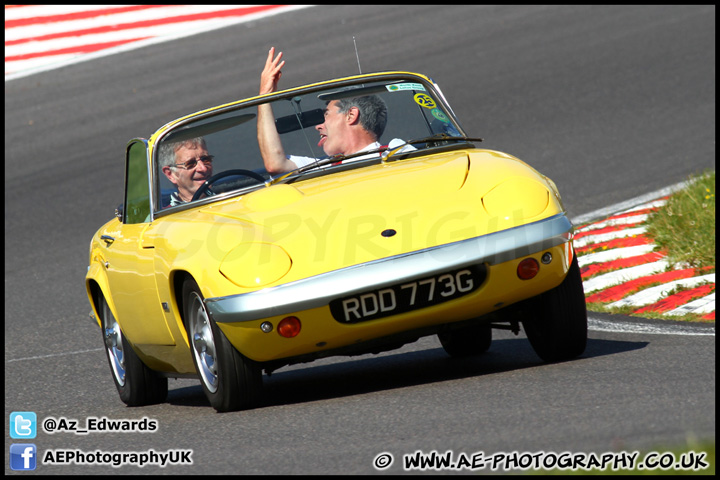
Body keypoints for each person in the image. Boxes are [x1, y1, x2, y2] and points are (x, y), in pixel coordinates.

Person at [257, 47, 409, 174]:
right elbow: (275, 163)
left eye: (326, 115)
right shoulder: (324, 166)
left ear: (351, 115)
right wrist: (264, 96)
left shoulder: (396, 151)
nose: (318, 126)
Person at [159, 137, 214, 206]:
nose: (203, 168)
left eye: (205, 159)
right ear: (171, 174)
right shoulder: (167, 216)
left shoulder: (228, 195)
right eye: (190, 163)